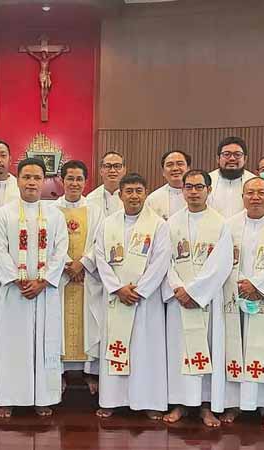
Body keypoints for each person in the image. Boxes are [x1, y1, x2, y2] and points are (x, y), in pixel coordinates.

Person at [0, 158, 69, 418]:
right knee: (13, 345)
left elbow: (61, 251)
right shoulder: (3, 214)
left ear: (44, 181)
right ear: (18, 180)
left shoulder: (55, 215)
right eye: (27, 177)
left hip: (45, 292)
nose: (32, 182)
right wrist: (17, 279)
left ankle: (43, 398)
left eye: (37, 177)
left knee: (44, 344)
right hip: (15, 293)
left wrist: (43, 281)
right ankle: (9, 398)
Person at [94, 173, 170, 420]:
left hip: (145, 301)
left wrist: (140, 290)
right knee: (115, 348)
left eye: (139, 190)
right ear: (120, 195)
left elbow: (161, 261)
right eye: (129, 191)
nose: (134, 196)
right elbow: (100, 258)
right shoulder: (107, 224)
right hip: (116, 299)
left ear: (146, 193)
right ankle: (111, 400)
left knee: (145, 350)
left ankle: (148, 400)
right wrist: (117, 288)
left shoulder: (158, 225)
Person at [220, 177, 264, 429]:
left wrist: (257, 285)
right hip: (235, 296)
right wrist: (239, 285)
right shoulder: (229, 225)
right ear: (242, 197)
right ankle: (234, 403)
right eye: (250, 193)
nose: (255, 197)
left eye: (261, 192)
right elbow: (222, 260)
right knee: (235, 349)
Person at [162, 169, 232, 427]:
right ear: (182, 191)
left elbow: (222, 263)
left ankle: (205, 406)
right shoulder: (170, 224)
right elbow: (164, 261)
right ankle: (180, 402)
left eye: (199, 187)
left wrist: (195, 292)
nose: (193, 192)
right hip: (179, 300)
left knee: (208, 349)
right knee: (179, 351)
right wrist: (178, 288)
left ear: (209, 190)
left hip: (207, 301)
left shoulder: (221, 223)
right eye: (188, 187)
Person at [55, 160, 104, 394]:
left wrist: (83, 263)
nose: (74, 183)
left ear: (86, 181)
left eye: (79, 179)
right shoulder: (52, 210)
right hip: (61, 277)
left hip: (86, 276)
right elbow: (49, 242)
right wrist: (67, 263)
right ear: (61, 180)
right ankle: (60, 374)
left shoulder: (95, 210)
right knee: (59, 325)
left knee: (89, 324)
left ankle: (88, 373)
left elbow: (100, 242)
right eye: (70, 178)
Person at [207, 137, 255, 218]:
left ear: (245, 159)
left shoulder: (254, 181)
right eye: (226, 154)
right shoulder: (206, 181)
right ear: (218, 159)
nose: (232, 158)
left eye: (237, 155)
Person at [145, 150, 190, 220]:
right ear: (163, 172)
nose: (175, 168)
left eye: (180, 164)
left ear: (188, 169)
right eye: (169, 165)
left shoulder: (200, 195)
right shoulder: (153, 199)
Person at [87, 152, 126, 217]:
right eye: (108, 166)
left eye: (117, 166)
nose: (112, 170)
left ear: (124, 170)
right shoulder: (90, 199)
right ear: (101, 171)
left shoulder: (132, 198)